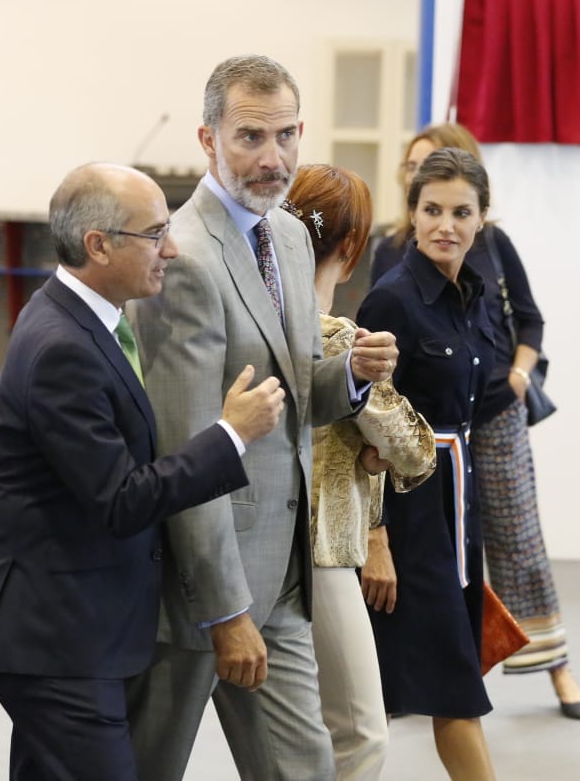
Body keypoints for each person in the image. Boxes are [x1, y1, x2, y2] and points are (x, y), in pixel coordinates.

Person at [125, 55, 399, 781]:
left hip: (283, 574)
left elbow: (298, 390)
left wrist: (354, 377)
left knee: (304, 767)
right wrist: (223, 612)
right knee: (148, 766)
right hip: (201, 592)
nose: (271, 157)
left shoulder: (291, 237)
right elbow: (189, 453)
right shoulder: (182, 255)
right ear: (208, 138)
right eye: (250, 136)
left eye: (285, 135)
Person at [0, 162, 286, 780]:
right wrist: (231, 435)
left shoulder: (90, 324)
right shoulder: (64, 346)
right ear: (99, 245)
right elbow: (120, 499)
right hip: (57, 642)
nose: (170, 249)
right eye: (154, 234)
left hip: (79, 633)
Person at [375, 122, 580, 717]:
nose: (446, 219)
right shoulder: (391, 252)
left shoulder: (492, 243)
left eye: (459, 205)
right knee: (433, 555)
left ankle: (556, 668)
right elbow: (382, 351)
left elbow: (530, 319)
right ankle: (426, 679)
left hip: (493, 416)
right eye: (416, 169)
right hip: (425, 433)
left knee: (519, 545)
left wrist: (518, 378)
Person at [281, 164, 436, 781]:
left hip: (263, 546)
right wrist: (373, 456)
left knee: (297, 734)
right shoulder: (344, 340)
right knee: (361, 734)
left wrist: (362, 454)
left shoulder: (256, 325)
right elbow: (415, 452)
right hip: (322, 554)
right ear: (351, 247)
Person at [356, 147, 499, 781]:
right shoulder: (393, 301)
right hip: (409, 519)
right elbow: (357, 427)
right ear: (411, 214)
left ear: (482, 219)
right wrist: (375, 537)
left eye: (461, 212)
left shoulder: (470, 293)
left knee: (418, 687)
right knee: (444, 691)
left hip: (455, 512)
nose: (446, 224)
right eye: (432, 209)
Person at [370, 123, 481, 285]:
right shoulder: (389, 250)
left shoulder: (494, 243)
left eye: (428, 167)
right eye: (411, 167)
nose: (415, 177)